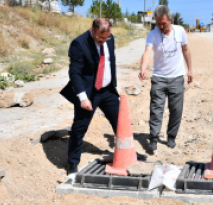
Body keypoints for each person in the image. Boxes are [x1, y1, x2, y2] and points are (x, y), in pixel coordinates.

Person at [60, 18, 146, 175]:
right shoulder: (79, 44)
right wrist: (82, 97)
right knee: (80, 127)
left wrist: (113, 84)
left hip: (107, 90)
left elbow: (109, 61)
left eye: (106, 38)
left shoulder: (109, 39)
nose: (104, 41)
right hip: (89, 93)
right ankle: (72, 163)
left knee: (121, 123)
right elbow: (75, 73)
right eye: (100, 37)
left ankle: (130, 153)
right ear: (92, 30)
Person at [138, 5, 193, 151]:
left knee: (176, 109)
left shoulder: (180, 31)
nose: (161, 27)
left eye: (164, 23)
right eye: (158, 23)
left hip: (176, 77)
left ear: (171, 19)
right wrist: (143, 68)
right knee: (156, 109)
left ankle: (171, 137)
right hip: (159, 78)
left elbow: (186, 50)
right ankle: (154, 138)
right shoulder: (153, 34)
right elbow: (147, 52)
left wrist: (190, 70)